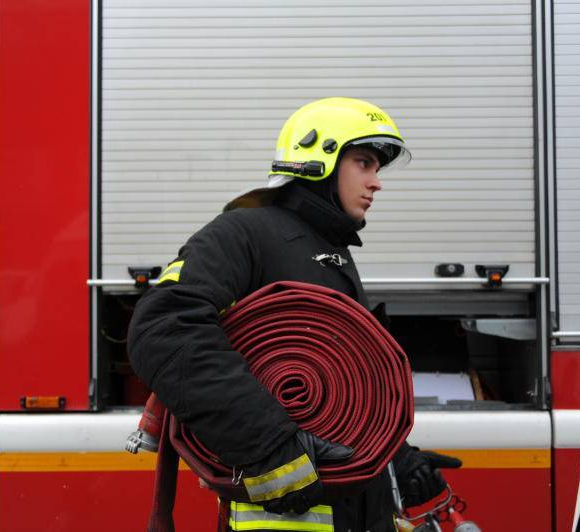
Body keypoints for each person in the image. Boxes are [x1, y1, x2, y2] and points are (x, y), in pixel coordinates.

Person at [128, 97, 462, 532]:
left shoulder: (331, 254)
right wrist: (269, 443)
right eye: (364, 163)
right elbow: (163, 327)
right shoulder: (245, 233)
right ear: (319, 158)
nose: (376, 182)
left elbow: (335, 392)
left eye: (377, 168)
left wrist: (396, 457)